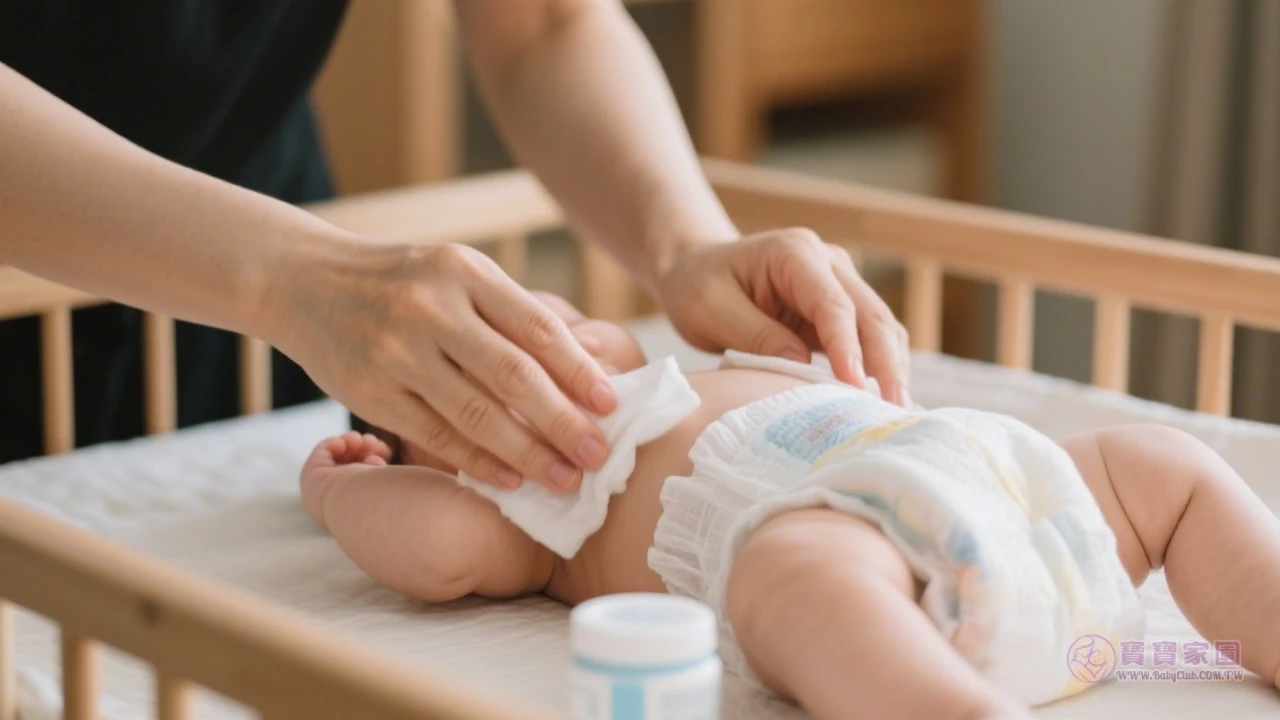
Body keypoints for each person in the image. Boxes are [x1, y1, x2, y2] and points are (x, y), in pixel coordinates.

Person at [0, 0, 909, 490]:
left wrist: (686, 243)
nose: (559, 341)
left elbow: (545, 23)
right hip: (252, 270)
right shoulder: (486, 504)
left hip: (248, 304)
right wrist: (289, 276)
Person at [301, 291, 1280, 720]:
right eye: (467, 373)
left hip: (988, 481)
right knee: (792, 568)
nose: (531, 340)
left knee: (1158, 466)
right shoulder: (538, 510)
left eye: (539, 311)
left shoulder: (701, 370)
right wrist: (345, 492)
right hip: (867, 563)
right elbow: (433, 548)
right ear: (447, 460)